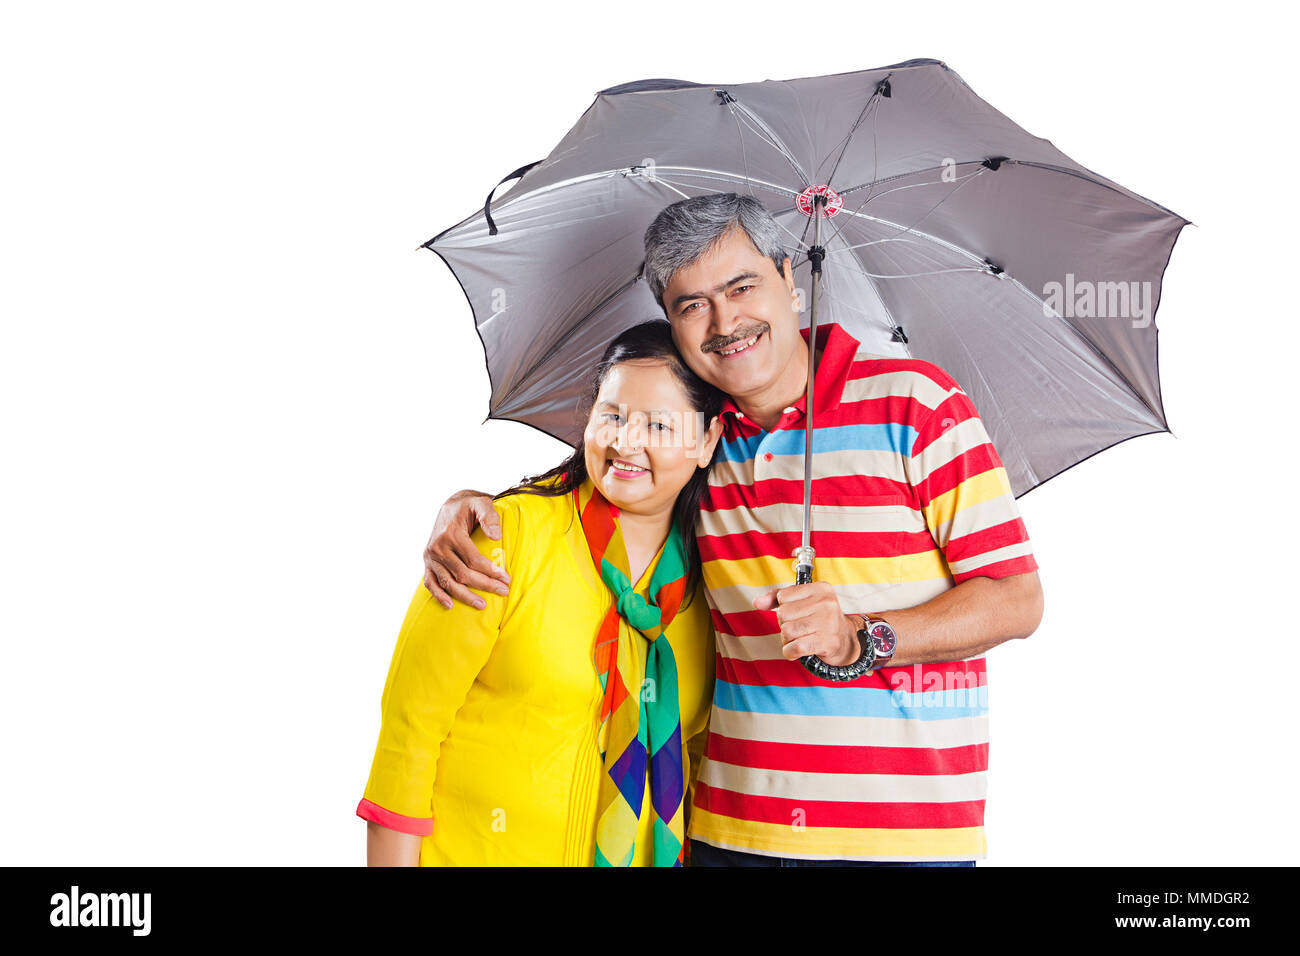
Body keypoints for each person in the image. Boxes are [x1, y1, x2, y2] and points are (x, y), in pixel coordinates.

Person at [424, 193, 1044, 866]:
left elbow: (1016, 598)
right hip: (726, 836)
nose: (725, 322)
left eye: (741, 286)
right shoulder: (694, 437)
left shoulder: (919, 405)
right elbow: (605, 481)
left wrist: (865, 639)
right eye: (693, 305)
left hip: (903, 838)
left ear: (789, 278)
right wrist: (479, 503)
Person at [358, 320, 725, 866]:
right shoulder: (507, 537)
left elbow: (697, 763)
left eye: (658, 425)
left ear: (707, 441)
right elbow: (409, 733)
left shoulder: (711, 591)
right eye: (613, 415)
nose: (626, 441)